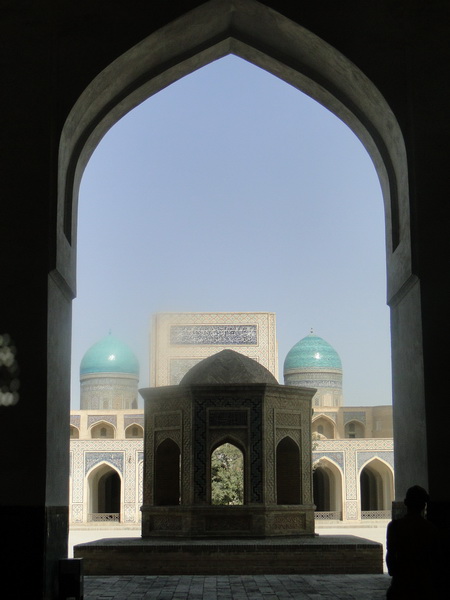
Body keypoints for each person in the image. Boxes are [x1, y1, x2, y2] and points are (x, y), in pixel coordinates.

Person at [386, 486, 440, 599]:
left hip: (401, 582)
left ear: (406, 503)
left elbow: (390, 555)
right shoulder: (430, 528)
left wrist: (395, 572)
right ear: (424, 505)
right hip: (423, 583)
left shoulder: (395, 526)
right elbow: (435, 558)